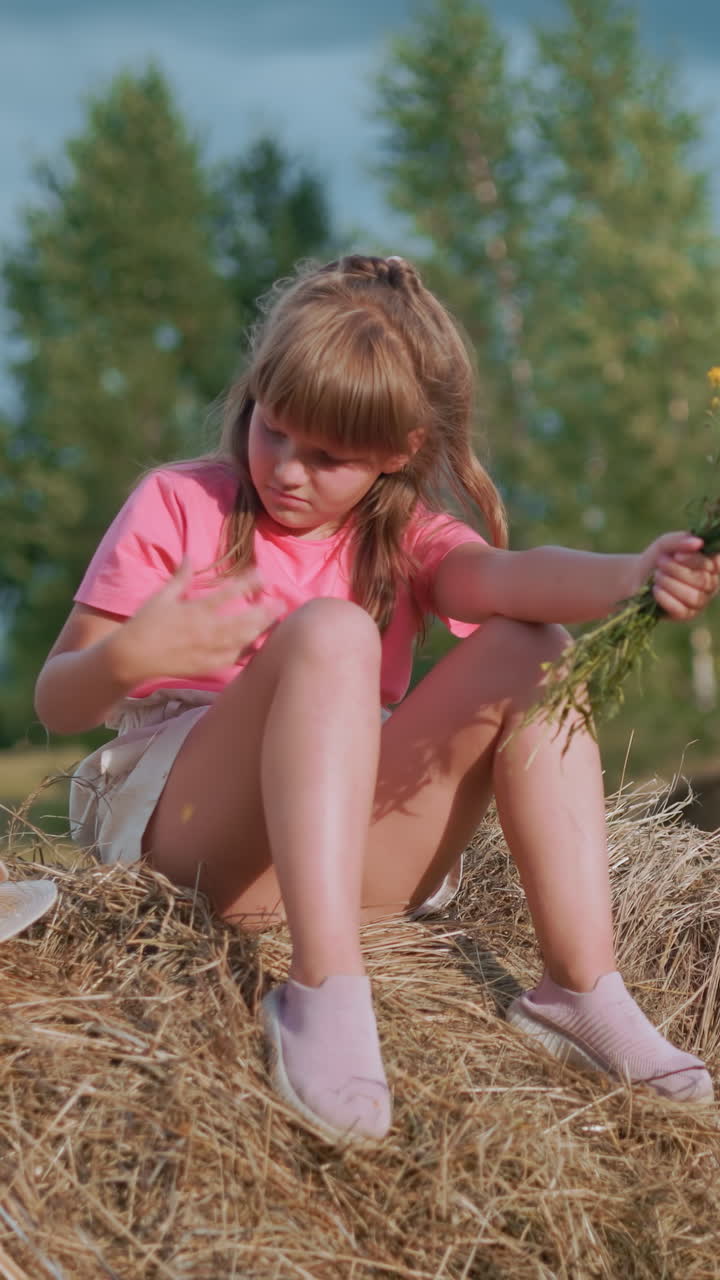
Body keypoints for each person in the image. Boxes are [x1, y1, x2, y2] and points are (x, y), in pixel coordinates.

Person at [35, 255, 718, 1144]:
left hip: (346, 858)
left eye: (329, 457)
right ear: (254, 397)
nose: (287, 471)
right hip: (194, 841)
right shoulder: (180, 503)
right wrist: (131, 655)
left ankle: (580, 990)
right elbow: (56, 702)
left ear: (397, 456)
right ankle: (325, 988)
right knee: (335, 632)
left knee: (533, 648)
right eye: (274, 431)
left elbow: (508, 580)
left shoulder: (402, 537)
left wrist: (633, 573)